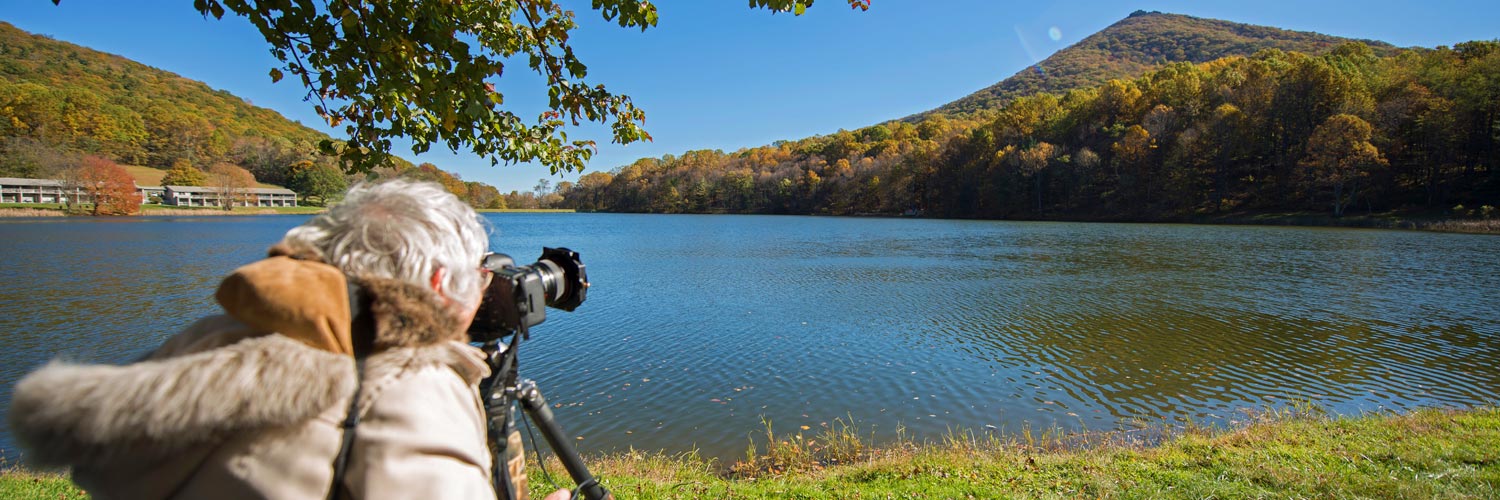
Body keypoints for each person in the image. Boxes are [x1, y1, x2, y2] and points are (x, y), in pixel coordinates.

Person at [10, 179, 564, 499]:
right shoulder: (406, 386)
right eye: (481, 274)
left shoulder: (215, 335)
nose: (487, 289)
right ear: (442, 283)